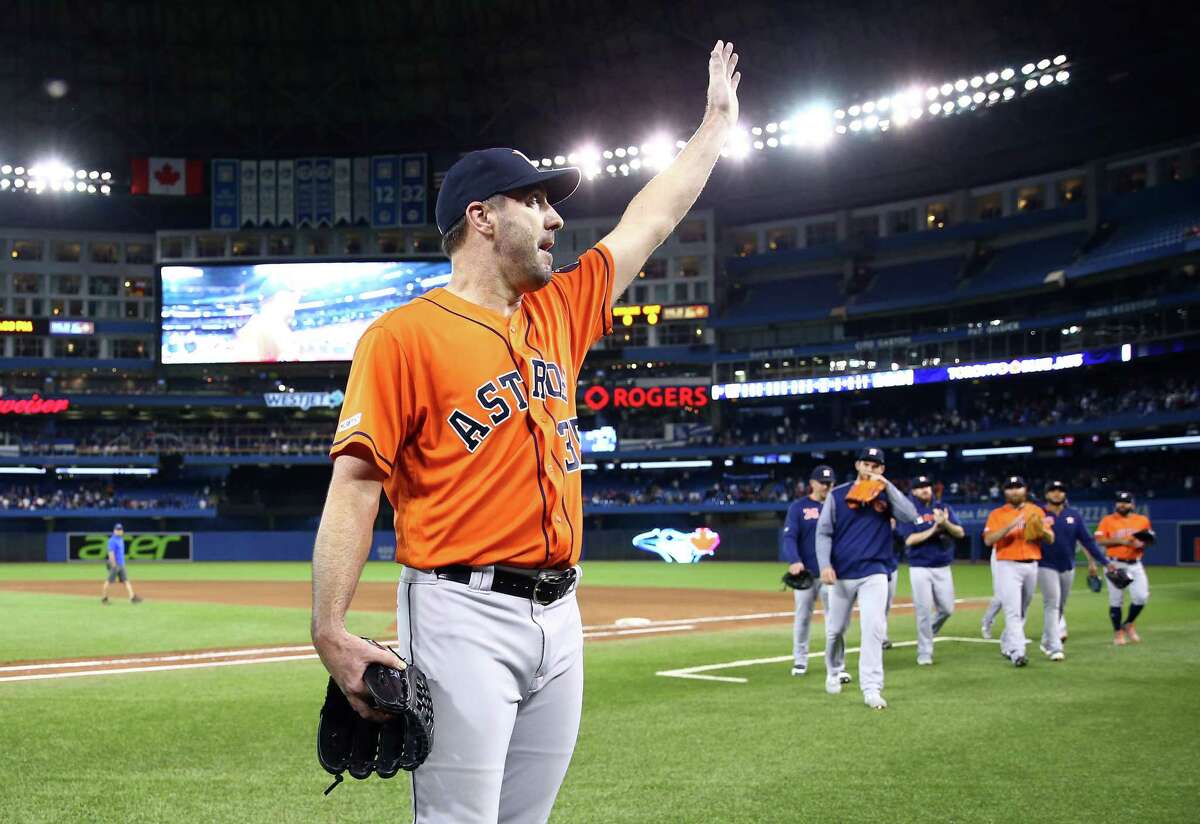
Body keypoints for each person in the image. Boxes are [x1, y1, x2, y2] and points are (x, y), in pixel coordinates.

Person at [310, 41, 742, 824]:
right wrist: (329, 630)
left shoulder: (559, 312)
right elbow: (355, 487)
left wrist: (713, 125)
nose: (555, 217)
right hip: (459, 614)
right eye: (535, 202)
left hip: (563, 614)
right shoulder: (402, 336)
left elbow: (654, 215)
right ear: (481, 217)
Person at [817, 447, 919, 710]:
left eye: (876, 466)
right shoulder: (838, 494)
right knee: (835, 630)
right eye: (866, 464)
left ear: (882, 470)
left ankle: (872, 688)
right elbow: (824, 532)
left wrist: (888, 487)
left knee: (874, 628)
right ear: (857, 465)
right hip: (841, 573)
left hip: (875, 571)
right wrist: (825, 564)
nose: (870, 469)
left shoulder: (887, 495)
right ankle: (834, 669)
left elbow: (910, 516)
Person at [982, 476, 1053, 667]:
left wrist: (1042, 530)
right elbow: (989, 540)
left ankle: (1007, 643)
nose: (1014, 491)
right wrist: (1011, 525)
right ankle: (1018, 652)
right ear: (1005, 492)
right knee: (1013, 610)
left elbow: (1050, 538)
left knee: (1022, 609)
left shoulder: (1036, 511)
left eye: (1018, 487)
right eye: (1010, 488)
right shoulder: (997, 514)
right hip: (1007, 564)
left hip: (1031, 564)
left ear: (1025, 489)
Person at [1037, 480, 1112, 660]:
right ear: (1046, 494)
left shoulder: (1074, 515)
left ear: (1065, 494)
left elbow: (1087, 541)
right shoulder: (1038, 513)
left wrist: (1105, 562)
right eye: (1053, 490)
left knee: (1060, 606)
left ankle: (1047, 639)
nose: (1057, 493)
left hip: (1068, 566)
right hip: (1045, 565)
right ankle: (1055, 648)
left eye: (1060, 490)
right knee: (1052, 604)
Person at [896, 475, 964, 666]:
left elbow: (960, 532)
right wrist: (934, 529)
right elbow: (909, 540)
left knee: (947, 609)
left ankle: (926, 633)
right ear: (914, 491)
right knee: (923, 610)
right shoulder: (909, 511)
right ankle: (924, 651)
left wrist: (945, 524)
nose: (925, 489)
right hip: (919, 567)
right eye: (920, 487)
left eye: (927, 486)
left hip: (942, 566)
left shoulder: (943, 507)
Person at [780, 465, 836, 676]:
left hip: (830, 573)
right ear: (812, 483)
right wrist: (794, 560)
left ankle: (834, 663)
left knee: (835, 620)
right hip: (806, 574)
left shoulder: (838, 506)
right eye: (823, 483)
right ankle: (800, 660)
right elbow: (789, 536)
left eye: (830, 483)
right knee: (803, 617)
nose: (827, 486)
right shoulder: (799, 507)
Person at [1093, 491, 1153, 645]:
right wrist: (1123, 541)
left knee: (1141, 597)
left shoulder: (1142, 520)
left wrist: (1144, 543)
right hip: (1115, 564)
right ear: (1115, 504)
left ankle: (1129, 623)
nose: (1122, 504)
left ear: (1132, 504)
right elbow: (1100, 540)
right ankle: (1118, 632)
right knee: (1116, 600)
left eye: (1126, 502)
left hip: (1135, 563)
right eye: (1119, 501)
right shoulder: (1107, 520)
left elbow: (1149, 539)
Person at [101, 523, 142, 605]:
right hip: (115, 565)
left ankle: (132, 598)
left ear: (122, 531)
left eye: (120, 530)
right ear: (114, 530)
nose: (119, 531)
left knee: (126, 581)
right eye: (117, 530)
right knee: (109, 581)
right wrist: (113, 564)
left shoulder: (121, 539)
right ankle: (104, 598)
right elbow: (110, 553)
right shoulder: (112, 540)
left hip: (122, 564)